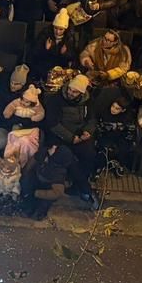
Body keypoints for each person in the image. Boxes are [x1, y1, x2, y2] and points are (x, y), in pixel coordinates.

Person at [43, 73, 98, 204]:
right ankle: (84, 188)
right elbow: (53, 123)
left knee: (89, 154)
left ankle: (81, 184)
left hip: (79, 133)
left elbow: (92, 118)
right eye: (70, 90)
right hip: (61, 135)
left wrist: (88, 131)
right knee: (69, 157)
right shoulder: (56, 99)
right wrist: (71, 138)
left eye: (75, 92)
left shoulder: (88, 101)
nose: (70, 93)